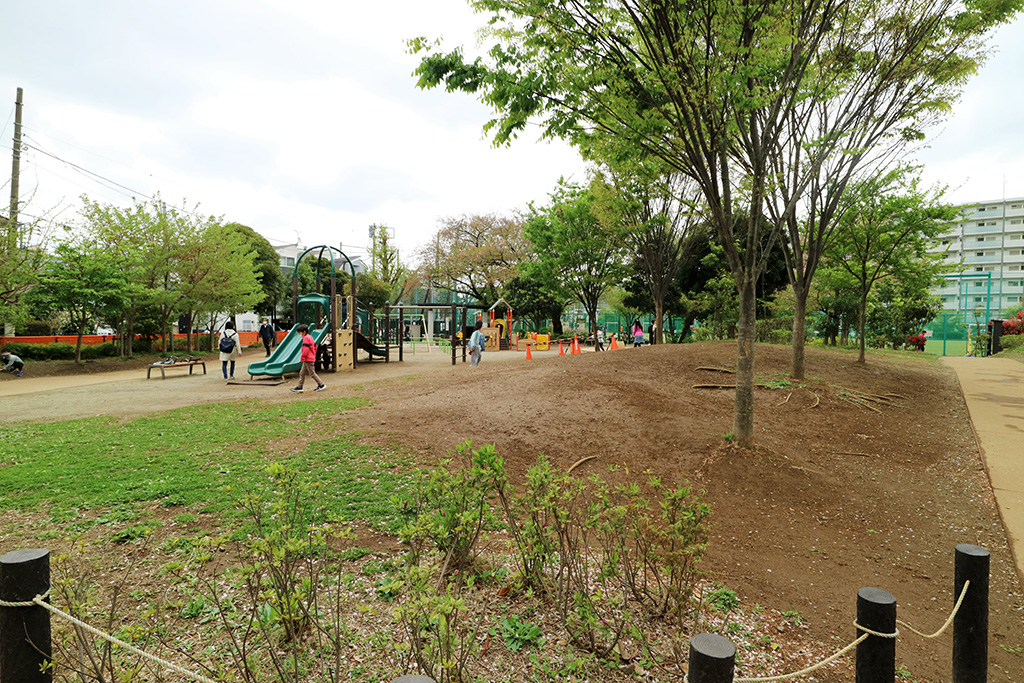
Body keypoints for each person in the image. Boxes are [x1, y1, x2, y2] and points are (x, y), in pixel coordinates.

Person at [292, 323, 326, 392]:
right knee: (302, 372)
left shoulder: (306, 338)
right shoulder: (310, 337)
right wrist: (313, 354)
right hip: (309, 358)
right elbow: (315, 346)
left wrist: (303, 358)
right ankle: (299, 386)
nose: (299, 334)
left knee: (312, 373)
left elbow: (305, 350)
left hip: (308, 359)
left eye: (300, 332)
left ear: (304, 332)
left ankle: (321, 384)